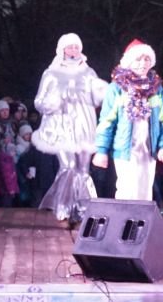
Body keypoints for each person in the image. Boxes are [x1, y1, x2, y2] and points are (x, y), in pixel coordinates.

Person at [32, 33, 108, 221]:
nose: (73, 50)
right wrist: (52, 103)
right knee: (68, 166)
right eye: (70, 47)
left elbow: (97, 98)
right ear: (62, 49)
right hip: (61, 126)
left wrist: (104, 93)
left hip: (84, 125)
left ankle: (83, 207)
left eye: (76, 47)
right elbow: (39, 102)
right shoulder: (51, 73)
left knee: (83, 169)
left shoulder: (88, 72)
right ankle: (63, 205)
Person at [93, 39, 163, 201]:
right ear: (129, 61)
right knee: (127, 191)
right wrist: (101, 150)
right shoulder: (117, 88)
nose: (143, 63)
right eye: (138, 59)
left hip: (148, 150)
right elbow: (106, 122)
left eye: (147, 59)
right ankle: (124, 218)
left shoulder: (156, 89)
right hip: (126, 149)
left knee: (145, 193)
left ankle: (142, 218)